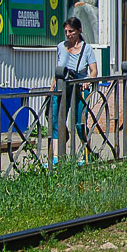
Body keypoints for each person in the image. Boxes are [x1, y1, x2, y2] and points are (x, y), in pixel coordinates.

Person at [49, 18, 99, 154]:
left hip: (79, 88)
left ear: (79, 30)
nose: (68, 34)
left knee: (80, 122)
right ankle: (56, 157)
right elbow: (58, 70)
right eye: (66, 31)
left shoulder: (86, 49)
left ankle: (87, 154)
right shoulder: (60, 46)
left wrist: (87, 81)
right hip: (61, 87)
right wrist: (52, 86)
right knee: (56, 120)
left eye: (71, 31)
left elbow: (94, 71)